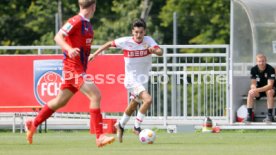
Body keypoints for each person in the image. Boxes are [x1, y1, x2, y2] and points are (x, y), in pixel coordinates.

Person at [25, 0, 115, 147]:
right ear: (94, 7)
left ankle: (32, 123)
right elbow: (58, 37)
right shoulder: (76, 20)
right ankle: (100, 136)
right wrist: (69, 49)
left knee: (60, 101)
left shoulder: (87, 24)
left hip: (77, 68)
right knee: (95, 95)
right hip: (72, 68)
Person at [89, 18, 163, 143]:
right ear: (132, 32)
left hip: (143, 79)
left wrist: (155, 51)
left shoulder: (149, 40)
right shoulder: (125, 41)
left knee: (134, 103)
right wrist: (94, 54)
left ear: (144, 32)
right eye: (136, 32)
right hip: (131, 79)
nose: (138, 35)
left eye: (141, 32)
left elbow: (161, 52)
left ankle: (121, 124)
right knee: (148, 99)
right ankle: (136, 127)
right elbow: (108, 44)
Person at [244, 53, 276, 123]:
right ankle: (249, 115)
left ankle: (270, 116)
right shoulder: (253, 69)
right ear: (257, 62)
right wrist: (253, 89)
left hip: (270, 89)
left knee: (269, 91)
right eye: (259, 61)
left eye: (263, 61)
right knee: (250, 93)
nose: (261, 63)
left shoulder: (270, 69)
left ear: (266, 61)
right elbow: (253, 83)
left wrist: (257, 89)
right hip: (259, 89)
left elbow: (270, 85)